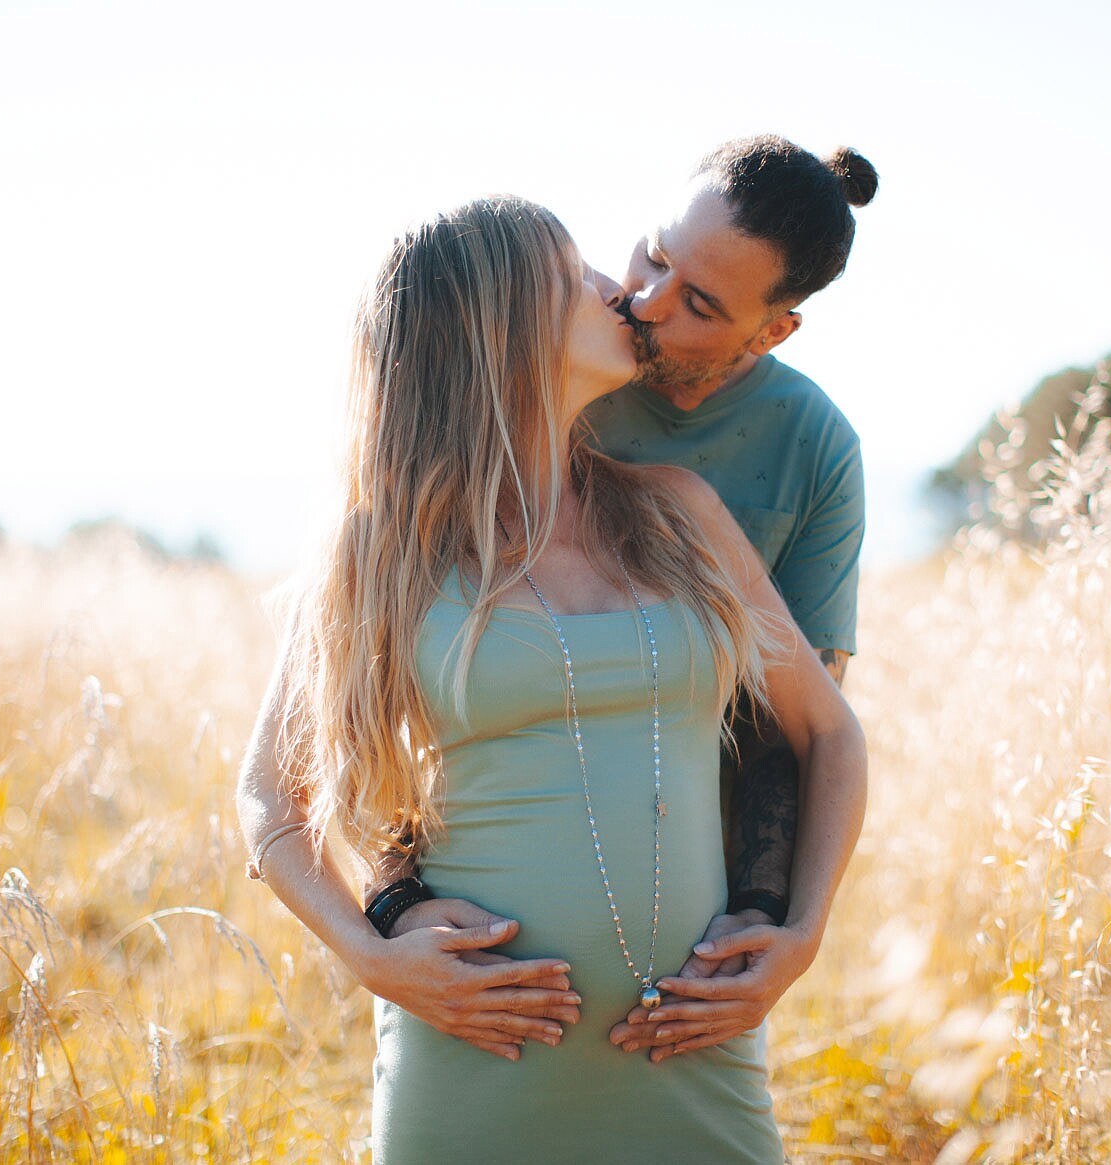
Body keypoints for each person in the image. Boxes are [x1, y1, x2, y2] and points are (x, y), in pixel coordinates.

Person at [236, 196, 867, 1162]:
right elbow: (271, 797)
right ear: (500, 325)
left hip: (693, 1047)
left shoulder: (679, 514)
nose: (621, 291)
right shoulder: (381, 548)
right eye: (576, 276)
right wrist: (377, 958)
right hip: (476, 1051)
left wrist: (801, 933)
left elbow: (827, 732)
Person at [373, 136, 877, 1064]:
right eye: (653, 254)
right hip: (477, 878)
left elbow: (795, 722)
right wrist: (388, 905)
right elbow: (379, 691)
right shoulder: (565, 360)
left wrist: (775, 926)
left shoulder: (813, 448)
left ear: (768, 333)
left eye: (699, 303)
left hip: (688, 921)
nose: (643, 300)